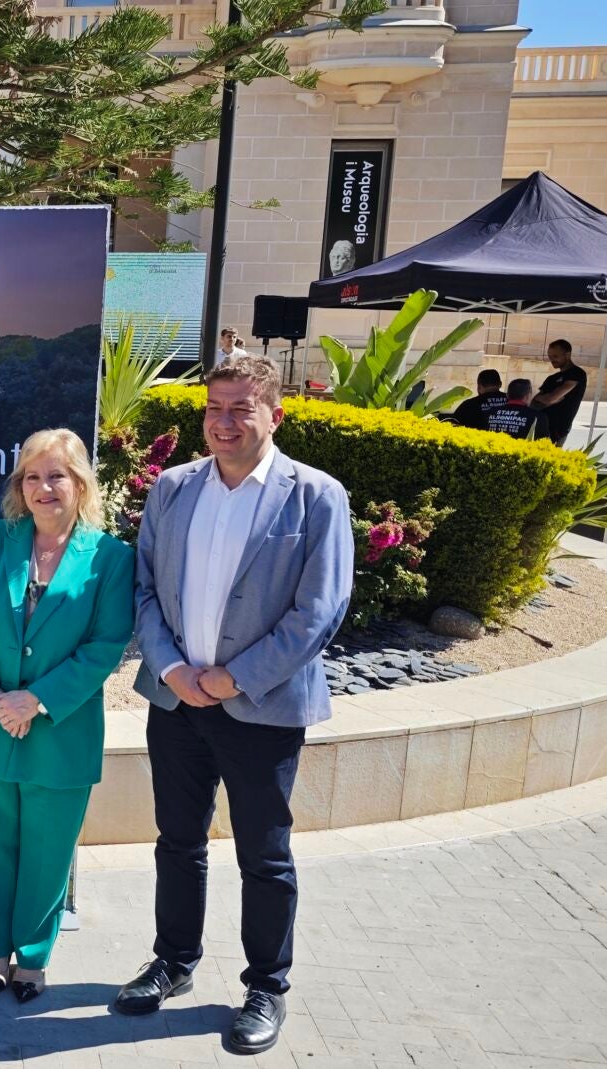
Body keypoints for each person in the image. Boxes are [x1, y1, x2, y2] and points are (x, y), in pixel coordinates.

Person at [117, 355, 352, 1056]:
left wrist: (235, 678)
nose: (224, 422)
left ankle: (266, 985)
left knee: (264, 854)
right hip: (176, 700)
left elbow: (318, 611)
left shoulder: (316, 496)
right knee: (177, 841)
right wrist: (171, 666)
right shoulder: (173, 488)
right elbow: (144, 590)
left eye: (240, 409)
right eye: (214, 408)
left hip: (263, 707)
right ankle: (173, 960)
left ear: (274, 414)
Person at [0, 428, 134, 1003]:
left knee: (48, 852)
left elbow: (105, 645)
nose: (43, 487)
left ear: (81, 484)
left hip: (59, 730)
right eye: (32, 477)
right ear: (19, 486)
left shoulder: (111, 558)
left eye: (56, 476)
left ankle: (33, 955)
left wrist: (36, 699)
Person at [532, 338, 588, 446]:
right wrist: (545, 399)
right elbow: (534, 402)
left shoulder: (577, 373)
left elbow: (550, 399)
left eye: (555, 356)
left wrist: (546, 399)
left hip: (559, 429)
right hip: (541, 425)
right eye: (550, 357)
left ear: (567, 355)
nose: (552, 360)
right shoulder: (551, 378)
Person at [486, 378, 550, 440]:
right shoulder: (538, 417)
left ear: (507, 395)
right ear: (528, 396)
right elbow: (543, 443)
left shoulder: (489, 413)